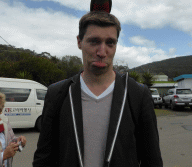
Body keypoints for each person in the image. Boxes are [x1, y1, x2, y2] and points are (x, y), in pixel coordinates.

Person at [33, 11, 163, 167]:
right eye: (94, 41)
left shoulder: (138, 94)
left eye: (110, 43)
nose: (102, 52)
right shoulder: (57, 94)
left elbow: (152, 160)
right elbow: (44, 158)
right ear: (79, 41)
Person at [0, 92, 27, 167]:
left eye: (0, 109)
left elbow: (11, 140)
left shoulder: (4, 120)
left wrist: (19, 141)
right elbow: (4, 154)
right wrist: (3, 156)